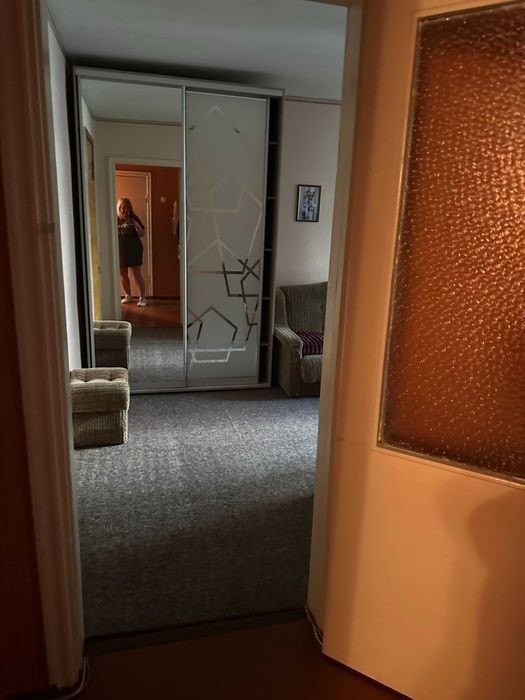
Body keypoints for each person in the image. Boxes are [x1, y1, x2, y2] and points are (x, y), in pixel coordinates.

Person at [117, 197, 148, 307]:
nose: (125, 209)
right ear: (119, 207)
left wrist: (134, 223)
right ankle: (128, 295)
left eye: (127, 207)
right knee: (123, 274)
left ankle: (142, 298)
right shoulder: (115, 219)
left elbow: (142, 233)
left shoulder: (134, 218)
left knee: (136, 275)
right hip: (120, 251)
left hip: (134, 250)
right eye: (123, 207)